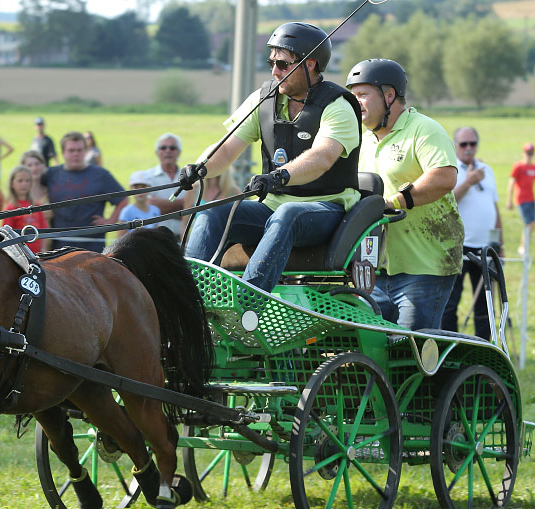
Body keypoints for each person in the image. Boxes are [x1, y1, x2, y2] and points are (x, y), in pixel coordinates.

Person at [183, 22, 362, 293]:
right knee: (212, 212)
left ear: (310, 64)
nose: (274, 71)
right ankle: (189, 300)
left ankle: (247, 303)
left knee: (288, 213)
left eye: (282, 64)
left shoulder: (338, 106)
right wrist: (200, 168)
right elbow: (228, 147)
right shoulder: (263, 99)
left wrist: (279, 176)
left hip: (326, 211)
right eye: (271, 63)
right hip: (272, 209)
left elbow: (323, 156)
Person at [346, 58, 462, 330]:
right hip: (374, 269)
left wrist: (395, 202)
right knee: (374, 348)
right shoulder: (363, 140)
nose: (356, 103)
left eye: (362, 95)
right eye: (353, 96)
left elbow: (445, 176)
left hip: (425, 266)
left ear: (389, 95)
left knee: (409, 352)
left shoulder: (424, 129)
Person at [440, 127, 500, 340]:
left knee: (485, 303)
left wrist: (498, 241)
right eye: (463, 144)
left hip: (485, 246)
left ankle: (485, 346)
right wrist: (469, 181)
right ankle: (450, 344)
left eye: (472, 144)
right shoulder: (451, 169)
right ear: (455, 146)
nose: (468, 148)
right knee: (451, 301)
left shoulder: (487, 169)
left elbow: (494, 207)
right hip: (458, 246)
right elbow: (448, 201)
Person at [44, 131, 127, 253]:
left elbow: (123, 199)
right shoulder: (51, 174)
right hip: (58, 246)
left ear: (86, 151)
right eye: (71, 151)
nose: (76, 154)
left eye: (80, 150)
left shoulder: (101, 175)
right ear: (63, 153)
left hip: (92, 247)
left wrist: (110, 222)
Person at [140, 132, 186, 235]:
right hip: (156, 238)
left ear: (179, 152)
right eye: (163, 148)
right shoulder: (147, 177)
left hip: (183, 238)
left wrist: (161, 209)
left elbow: (194, 207)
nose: (168, 151)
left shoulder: (188, 177)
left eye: (172, 148)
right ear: (157, 152)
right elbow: (148, 205)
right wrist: (183, 205)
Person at [507, 143, 535, 255]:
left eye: (531, 153)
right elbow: (511, 183)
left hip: (531, 199)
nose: (529, 155)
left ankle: (525, 243)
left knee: (533, 223)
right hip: (521, 199)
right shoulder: (518, 166)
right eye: (527, 153)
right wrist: (509, 200)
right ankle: (523, 247)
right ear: (523, 153)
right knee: (528, 223)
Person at [2, 165, 49, 253]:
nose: (24, 184)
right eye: (20, 181)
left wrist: (44, 249)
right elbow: (7, 236)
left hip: (38, 253)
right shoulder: (10, 208)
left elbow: (44, 229)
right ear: (12, 184)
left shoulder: (36, 205)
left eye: (27, 181)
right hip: (21, 254)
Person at [117, 171, 162, 238]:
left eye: (143, 187)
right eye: (136, 187)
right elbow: (120, 239)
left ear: (149, 188)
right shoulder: (126, 212)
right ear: (131, 189)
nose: (140, 191)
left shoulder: (155, 210)